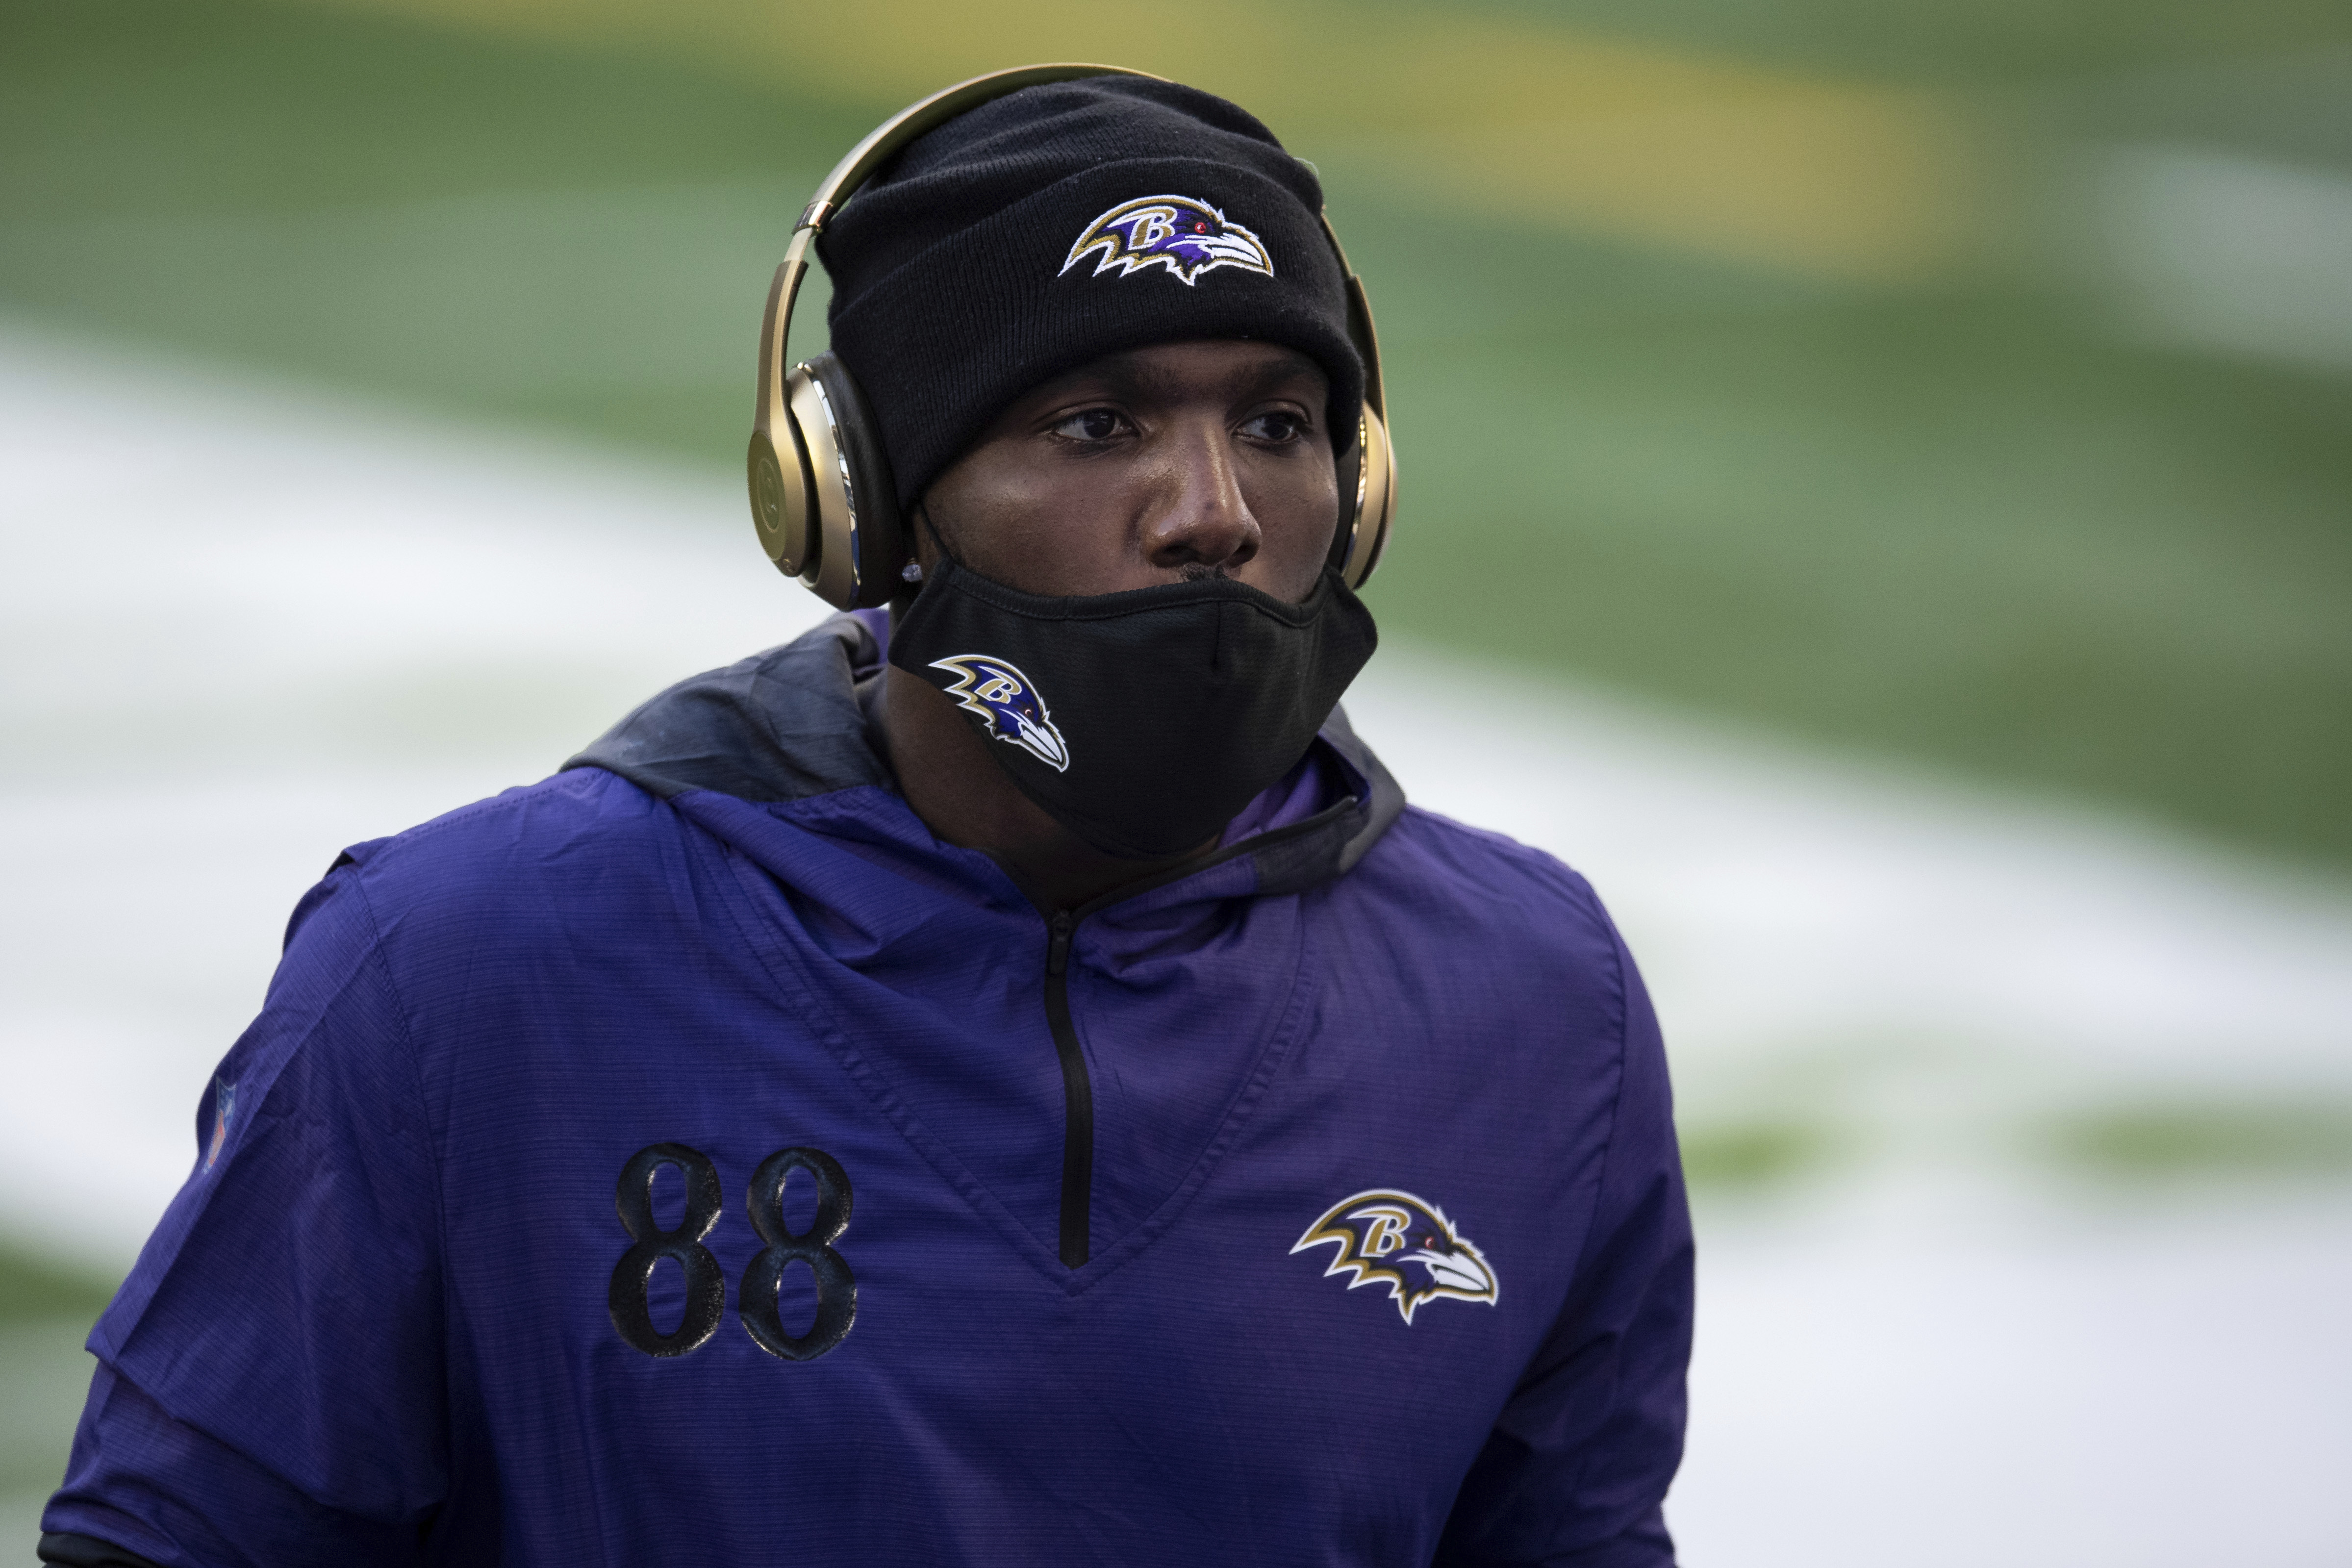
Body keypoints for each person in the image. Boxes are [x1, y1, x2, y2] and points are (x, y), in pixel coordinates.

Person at [40, 70, 1692, 1568]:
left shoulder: (1542, 1004)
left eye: (1277, 424)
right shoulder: (467, 965)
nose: (1213, 513)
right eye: (1094, 425)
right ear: (860, 504)